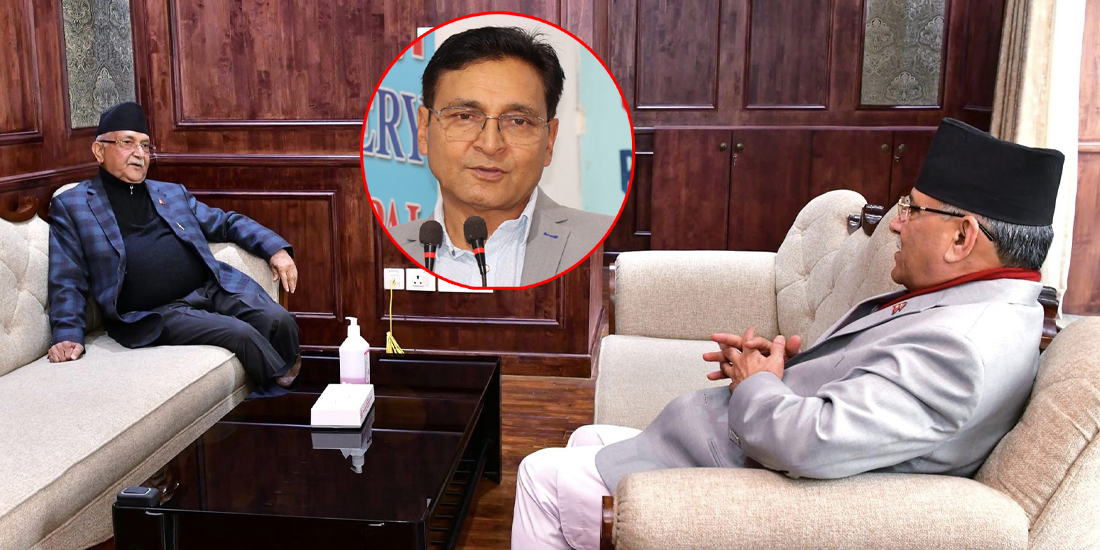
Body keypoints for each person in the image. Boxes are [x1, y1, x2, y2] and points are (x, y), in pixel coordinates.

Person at [510, 117, 1066, 549]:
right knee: (583, 441)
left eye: (913, 210)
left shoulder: (961, 347)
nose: (896, 223)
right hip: (726, 443)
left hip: (734, 477)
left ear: (962, 238)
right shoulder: (980, 306)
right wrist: (778, 370)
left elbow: (814, 443)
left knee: (539, 475)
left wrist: (758, 384)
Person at [48, 101, 302, 390]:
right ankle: (283, 399)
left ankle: (290, 386)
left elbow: (225, 222)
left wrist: (274, 249)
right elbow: (67, 277)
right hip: (156, 313)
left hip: (209, 288)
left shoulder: (170, 193)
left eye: (145, 146)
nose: (139, 154)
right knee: (241, 333)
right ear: (99, 151)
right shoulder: (73, 206)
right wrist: (66, 334)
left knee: (279, 320)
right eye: (127, 143)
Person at [387, 26, 614, 287]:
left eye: (518, 121)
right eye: (465, 116)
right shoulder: (377, 252)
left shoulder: (610, 245)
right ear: (423, 130)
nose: (491, 145)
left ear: (549, 141)